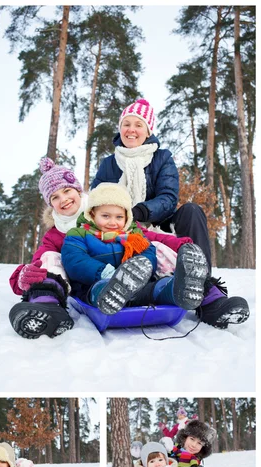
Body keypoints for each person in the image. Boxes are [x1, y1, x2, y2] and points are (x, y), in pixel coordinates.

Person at [91, 97, 249, 328]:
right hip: (119, 226)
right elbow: (96, 199)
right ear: (120, 128)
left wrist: (141, 211)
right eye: (126, 124)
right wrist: (118, 217)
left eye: (138, 125)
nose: (131, 130)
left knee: (191, 210)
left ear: (148, 130)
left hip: (156, 222)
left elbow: (168, 197)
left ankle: (204, 289)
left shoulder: (162, 158)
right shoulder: (108, 164)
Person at [8, 160, 194, 339]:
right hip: (92, 282)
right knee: (51, 256)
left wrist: (181, 245)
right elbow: (41, 260)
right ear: (50, 204)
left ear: (78, 191)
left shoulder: (109, 209)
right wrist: (22, 276)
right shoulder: (59, 234)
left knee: (154, 246)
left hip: (135, 275)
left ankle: (192, 285)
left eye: (66, 191)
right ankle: (45, 304)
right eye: (55, 197)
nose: (63, 199)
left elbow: (147, 237)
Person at [61, 183, 209, 315]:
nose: (113, 222)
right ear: (92, 214)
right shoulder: (79, 234)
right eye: (106, 216)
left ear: (127, 217)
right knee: (100, 289)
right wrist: (104, 272)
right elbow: (74, 260)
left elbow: (149, 252)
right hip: (94, 283)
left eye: (119, 217)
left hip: (137, 286)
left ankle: (179, 291)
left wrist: (143, 268)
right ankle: (109, 297)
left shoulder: (134, 235)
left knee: (157, 288)